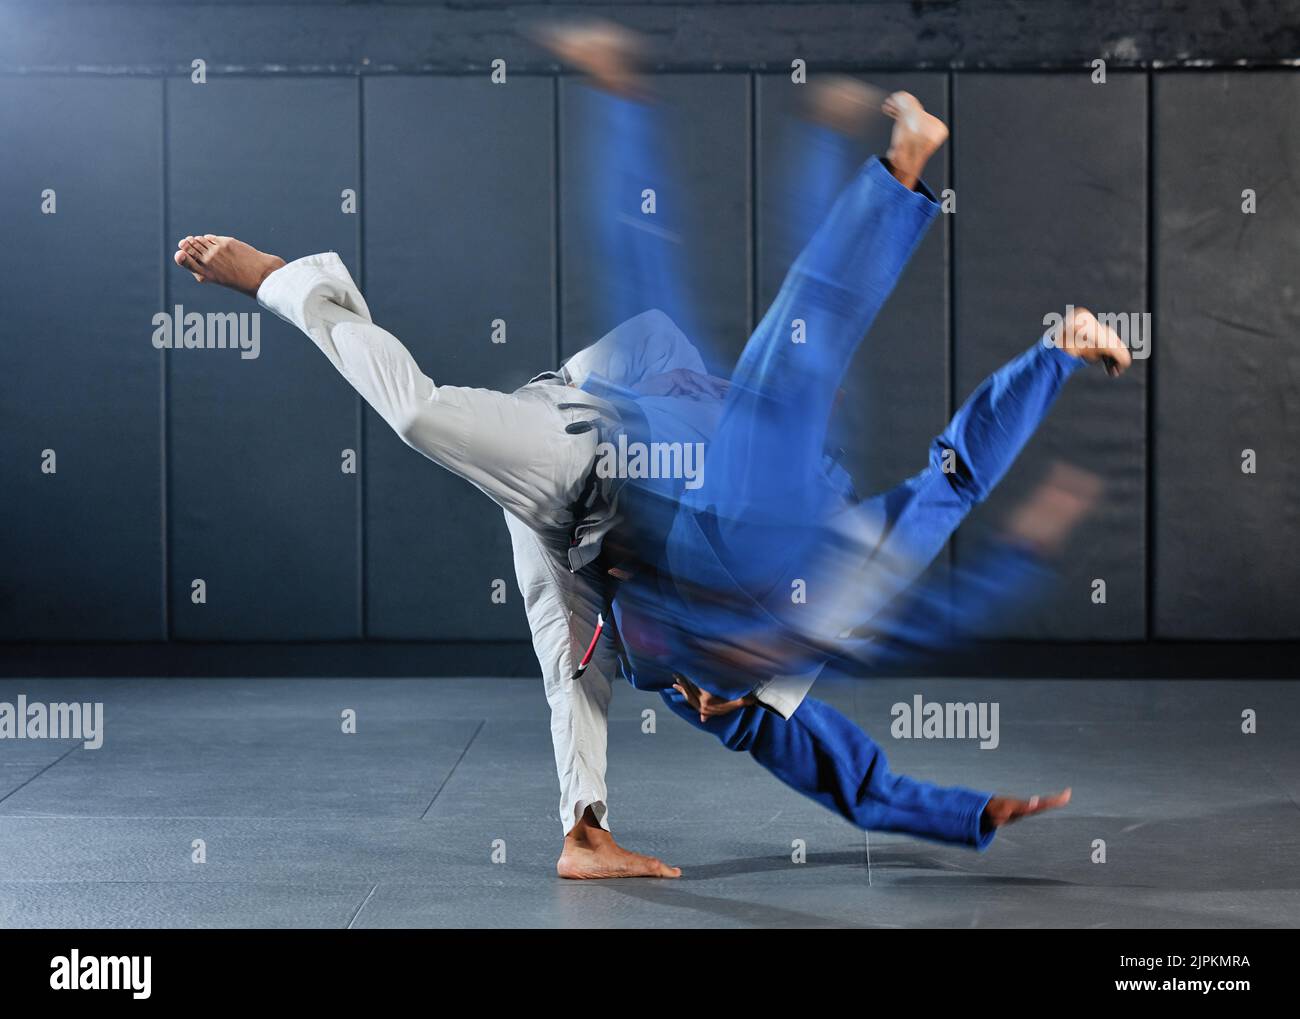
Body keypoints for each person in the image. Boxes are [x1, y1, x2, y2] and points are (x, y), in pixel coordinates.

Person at [169, 31, 1131, 878]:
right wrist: (1050, 355)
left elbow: (858, 784)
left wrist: (972, 818)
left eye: (708, 699)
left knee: (564, 658)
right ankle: (286, 281)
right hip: (609, 429)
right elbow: (942, 480)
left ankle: (582, 834)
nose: (707, 702)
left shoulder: (720, 698)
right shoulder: (804, 569)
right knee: (775, 376)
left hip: (575, 485)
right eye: (729, 685)